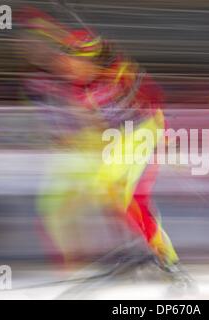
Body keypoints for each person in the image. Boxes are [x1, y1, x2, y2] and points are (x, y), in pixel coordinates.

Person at [19, 7, 189, 285]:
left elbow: (153, 101)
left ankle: (143, 250)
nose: (71, 69)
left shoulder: (116, 70)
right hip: (123, 136)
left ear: (93, 61)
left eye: (78, 63)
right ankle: (161, 256)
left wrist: (170, 141)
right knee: (122, 197)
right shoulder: (78, 88)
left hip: (146, 128)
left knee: (109, 185)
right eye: (69, 64)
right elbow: (94, 121)